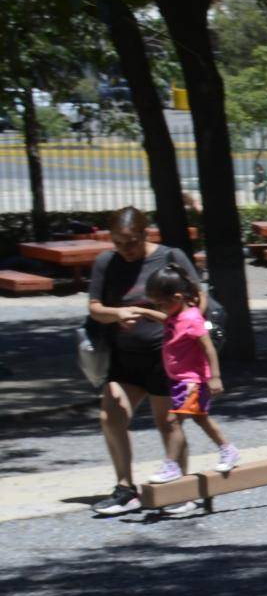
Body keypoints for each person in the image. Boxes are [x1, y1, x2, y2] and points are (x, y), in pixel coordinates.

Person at [86, 206, 201, 516]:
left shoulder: (169, 257)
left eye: (132, 242)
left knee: (168, 423)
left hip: (167, 357)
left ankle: (181, 490)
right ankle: (125, 489)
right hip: (124, 357)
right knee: (111, 416)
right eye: (119, 243)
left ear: (146, 234)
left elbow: (197, 299)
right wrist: (117, 314)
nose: (126, 250)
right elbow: (95, 307)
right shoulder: (106, 262)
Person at [144, 263, 238, 512]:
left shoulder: (192, 318)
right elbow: (165, 318)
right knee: (200, 420)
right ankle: (228, 449)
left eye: (161, 303)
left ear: (177, 297)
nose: (159, 309)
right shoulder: (176, 315)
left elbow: (207, 347)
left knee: (172, 421)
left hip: (192, 381)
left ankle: (171, 464)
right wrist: (142, 312)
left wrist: (214, 377)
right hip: (179, 381)